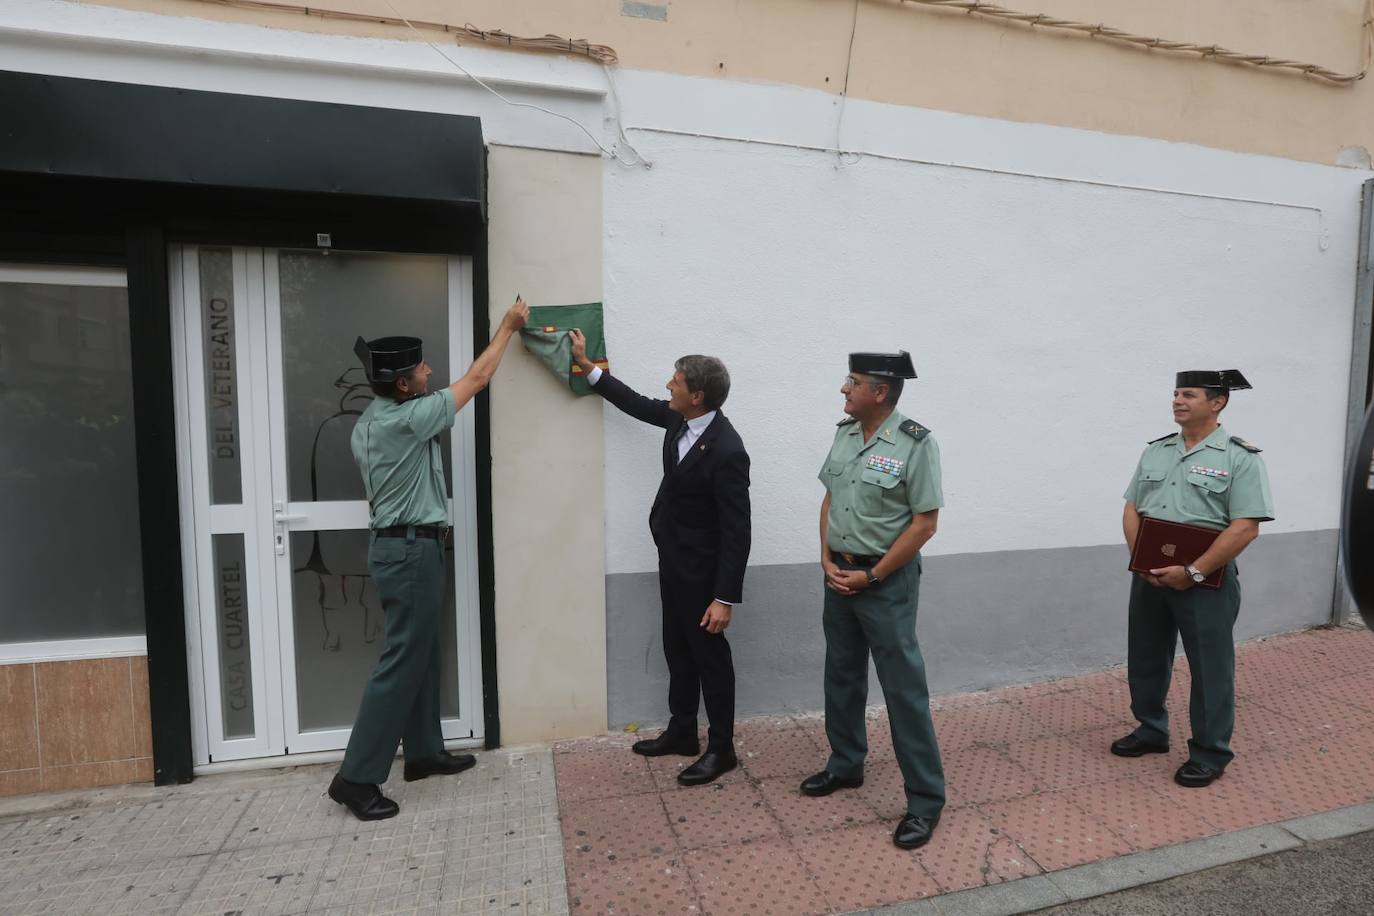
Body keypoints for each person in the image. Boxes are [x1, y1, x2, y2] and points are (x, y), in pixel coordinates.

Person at [327, 297, 529, 821]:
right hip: (410, 550)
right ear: (403, 385)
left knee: (420, 650)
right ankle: (356, 778)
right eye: (421, 369)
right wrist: (507, 328)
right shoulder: (407, 420)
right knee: (399, 662)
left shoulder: (370, 421)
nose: (429, 372)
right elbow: (477, 379)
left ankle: (422, 752)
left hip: (403, 548)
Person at [569, 329, 751, 786]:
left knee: (710, 659)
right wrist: (588, 366)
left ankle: (722, 749)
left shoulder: (728, 451)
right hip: (673, 562)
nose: (668, 386)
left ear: (698, 395)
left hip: (706, 577)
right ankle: (683, 730)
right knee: (677, 648)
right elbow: (635, 403)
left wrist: (724, 597)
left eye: (676, 381)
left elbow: (737, 530)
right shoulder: (678, 420)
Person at [801, 351, 945, 850]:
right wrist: (825, 558)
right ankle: (845, 765)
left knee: (903, 690)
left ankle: (925, 802)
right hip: (838, 575)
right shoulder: (844, 433)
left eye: (854, 382)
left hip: (884, 582)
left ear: (880, 392)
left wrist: (873, 575)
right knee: (841, 674)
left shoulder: (915, 444)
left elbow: (925, 523)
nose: (844, 389)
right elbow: (830, 498)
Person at [1114, 369, 1273, 788]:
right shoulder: (1156, 451)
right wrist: (1141, 560)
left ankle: (1210, 751)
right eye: (1175, 393)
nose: (1177, 400)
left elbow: (1245, 527)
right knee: (1146, 655)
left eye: (1188, 394)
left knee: (1210, 667)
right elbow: (1133, 508)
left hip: (1206, 582)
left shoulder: (1239, 457)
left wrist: (1194, 571)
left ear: (1217, 402)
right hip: (1150, 575)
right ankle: (1151, 730)